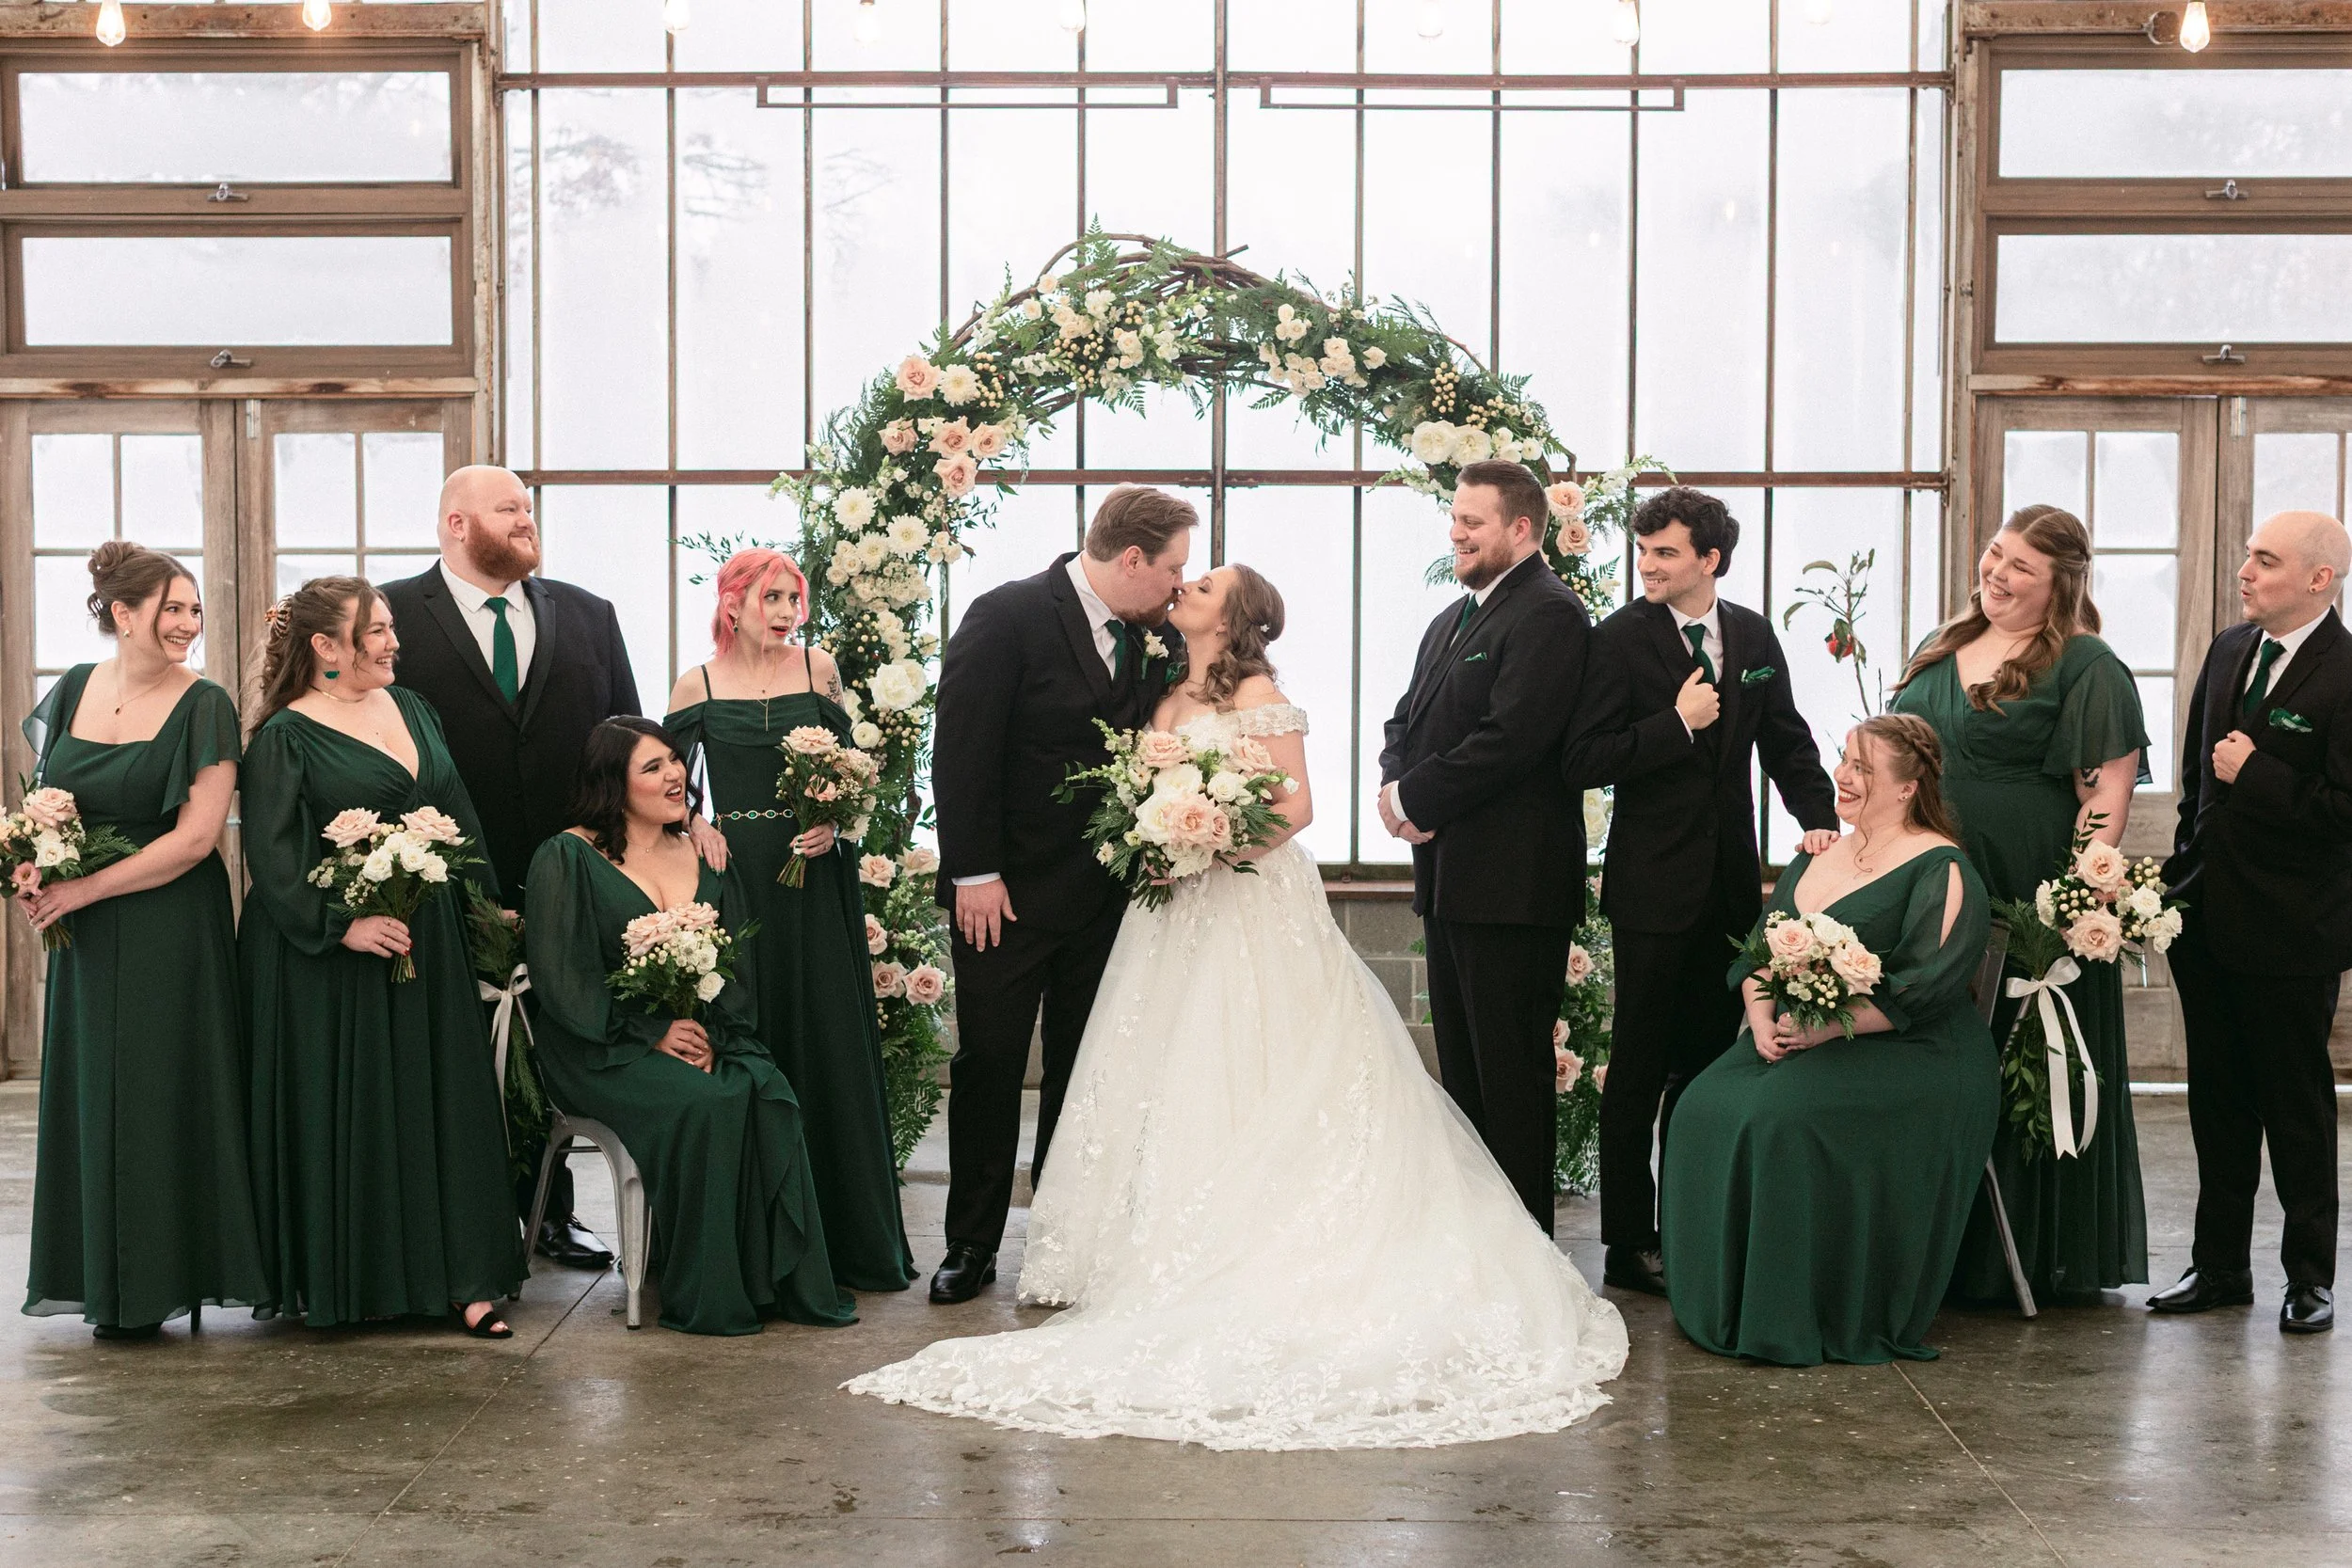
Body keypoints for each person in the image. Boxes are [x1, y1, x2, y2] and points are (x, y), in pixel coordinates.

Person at [848, 565, 1628, 1447]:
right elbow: (1136, 789)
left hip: (1251, 902)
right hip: (1169, 911)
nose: (1185, 586)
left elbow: (1297, 805)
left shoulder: (1260, 693)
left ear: (1235, 616)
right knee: (1164, 1066)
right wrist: (1155, 832)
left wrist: (1214, 840)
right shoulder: (1160, 689)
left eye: (1206, 583)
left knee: (1255, 1055)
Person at [379, 466, 711, 1275]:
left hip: (576, 876)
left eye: (528, 507)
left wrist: (683, 818)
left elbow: (631, 741)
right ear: (457, 523)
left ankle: (552, 1214)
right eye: (508, 509)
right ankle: (461, 1226)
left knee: (558, 1034)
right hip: (440, 879)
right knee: (459, 1053)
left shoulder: (589, 614)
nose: (526, 520)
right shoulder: (394, 616)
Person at [1564, 486, 1839, 1297]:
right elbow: (1583, 757)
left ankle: (1693, 1222)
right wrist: (1677, 724)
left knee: (1709, 1065)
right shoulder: (1617, 639)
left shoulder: (1752, 634)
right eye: (1643, 550)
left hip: (1730, 888)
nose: (1647, 565)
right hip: (1650, 889)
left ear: (1710, 559)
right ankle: (1628, 1242)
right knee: (1638, 1068)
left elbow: (1786, 740)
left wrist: (1822, 822)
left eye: (1666, 552)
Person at [926, 486, 1193, 1304]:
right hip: (1003, 898)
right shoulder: (1006, 616)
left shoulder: (1161, 638)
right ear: (1132, 558)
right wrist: (973, 872)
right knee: (990, 1064)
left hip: (1108, 900)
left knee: (1084, 1071)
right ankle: (971, 1243)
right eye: (1173, 569)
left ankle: (1061, 1239)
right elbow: (960, 747)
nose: (1180, 586)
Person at [1663, 715, 1998, 1366]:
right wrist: (1762, 1017)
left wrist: (1823, 1027)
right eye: (1843, 759)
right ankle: (1722, 1299)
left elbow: (1921, 988)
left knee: (1779, 1119)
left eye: (1863, 768)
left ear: (1907, 787)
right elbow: (1761, 950)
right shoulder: (1817, 853)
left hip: (1914, 1052)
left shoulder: (1942, 867)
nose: (1842, 776)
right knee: (1699, 1105)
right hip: (1801, 1034)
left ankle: (1797, 1308)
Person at [240, 577, 525, 1334]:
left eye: (392, 626)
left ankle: (466, 1280)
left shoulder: (414, 708)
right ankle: (357, 1281)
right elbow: (273, 860)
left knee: (443, 1104)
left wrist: (487, 908)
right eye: (376, 630)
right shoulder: (284, 737)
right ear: (324, 646)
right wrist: (344, 925)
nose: (394, 641)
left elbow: (457, 814)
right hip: (331, 961)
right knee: (362, 1114)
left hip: (428, 940)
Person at [1888, 504, 2150, 1305]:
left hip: (2027, 889)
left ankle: (2032, 1254)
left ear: (2060, 583)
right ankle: (1936, 1247)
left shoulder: (2086, 664)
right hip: (1932, 879)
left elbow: (2103, 793)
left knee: (2022, 1058)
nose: (1997, 574)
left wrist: (2073, 899)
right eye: (1995, 554)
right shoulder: (1943, 643)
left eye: (2021, 568)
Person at [521, 720, 857, 1335]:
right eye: (652, 768)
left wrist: (712, 1037)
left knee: (760, 1087)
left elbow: (736, 966)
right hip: (598, 1045)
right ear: (612, 783)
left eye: (674, 760)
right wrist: (652, 1033)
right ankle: (709, 1291)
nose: (674, 774)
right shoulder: (566, 857)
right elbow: (562, 979)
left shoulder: (707, 853)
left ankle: (766, 1279)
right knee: (706, 1102)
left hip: (700, 1031)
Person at [11, 545, 268, 1339]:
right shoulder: (74, 688)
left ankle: (165, 1279)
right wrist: (31, 861)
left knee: (163, 1093)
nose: (189, 624)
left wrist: (83, 887)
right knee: (94, 1094)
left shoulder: (206, 704)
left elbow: (196, 839)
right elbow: (47, 799)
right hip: (85, 935)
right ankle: (100, 1282)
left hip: (170, 923)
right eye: (173, 609)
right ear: (122, 614)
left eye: (194, 610)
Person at [663, 550, 915, 1292]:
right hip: (738, 879)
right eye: (769, 596)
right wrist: (695, 823)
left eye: (792, 598)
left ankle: (847, 1242)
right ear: (732, 603)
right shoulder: (697, 683)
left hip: (818, 880)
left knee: (829, 1036)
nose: (783, 611)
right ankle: (756, 1251)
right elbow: (661, 781)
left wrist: (836, 824)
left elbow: (856, 776)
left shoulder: (819, 669)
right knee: (755, 1031)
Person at [1377, 459, 1591, 1230]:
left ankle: (1526, 1248)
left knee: (1509, 1080)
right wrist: (1394, 789)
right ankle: (1482, 1248)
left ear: (1522, 528)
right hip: (1448, 882)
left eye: (1472, 521)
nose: (1456, 533)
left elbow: (1512, 739)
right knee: (1466, 1081)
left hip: (1513, 890)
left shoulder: (1550, 614)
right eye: (1455, 518)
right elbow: (1403, 719)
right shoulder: (1452, 618)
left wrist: (1416, 798)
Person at [2153, 510, 2352, 1335]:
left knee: (2296, 1108)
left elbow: (2344, 810)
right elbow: (2197, 784)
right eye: (2247, 556)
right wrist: (2180, 875)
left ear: (2319, 579)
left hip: (2293, 931)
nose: (2245, 571)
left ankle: (2310, 1277)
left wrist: (2259, 772)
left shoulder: (2347, 673)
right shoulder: (2231, 649)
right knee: (2218, 1102)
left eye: (2265, 560)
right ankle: (2220, 1267)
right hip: (2207, 919)